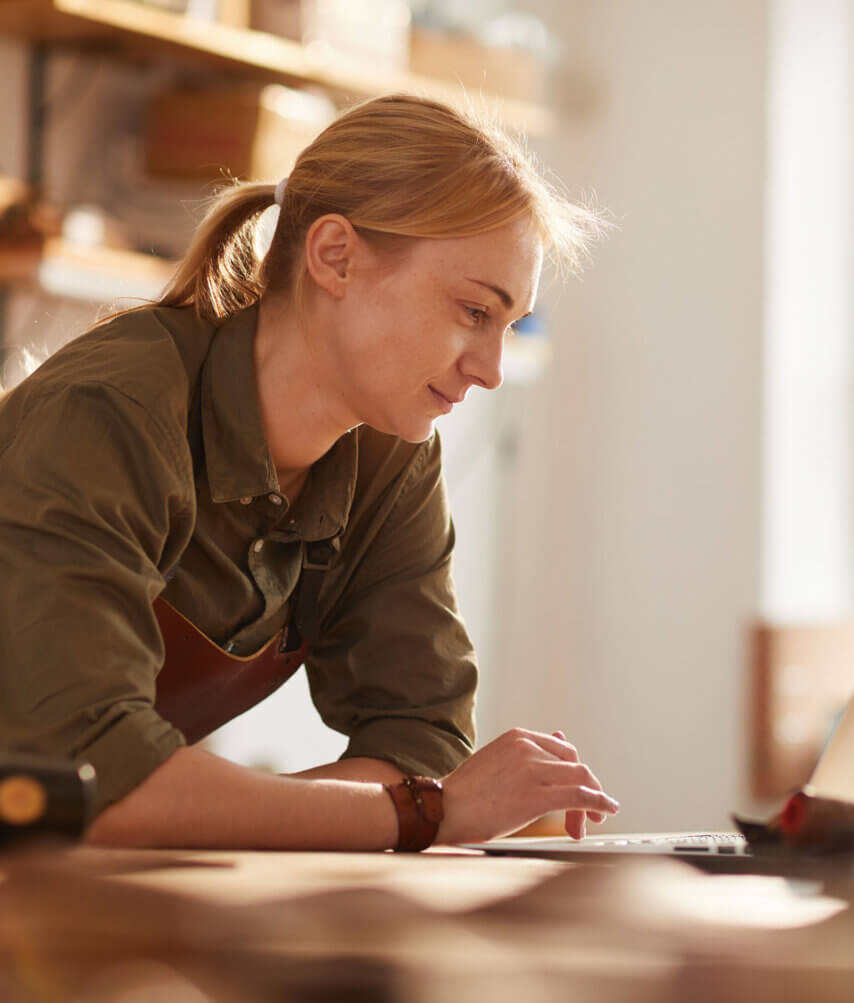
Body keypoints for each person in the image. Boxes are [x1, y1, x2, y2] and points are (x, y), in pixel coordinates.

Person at [0, 93, 619, 851]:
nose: (492, 370)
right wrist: (424, 813)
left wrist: (204, 810)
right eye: (472, 312)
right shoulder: (109, 409)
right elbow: (90, 774)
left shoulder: (391, 452)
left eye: (510, 325)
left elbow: (421, 743)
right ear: (335, 257)